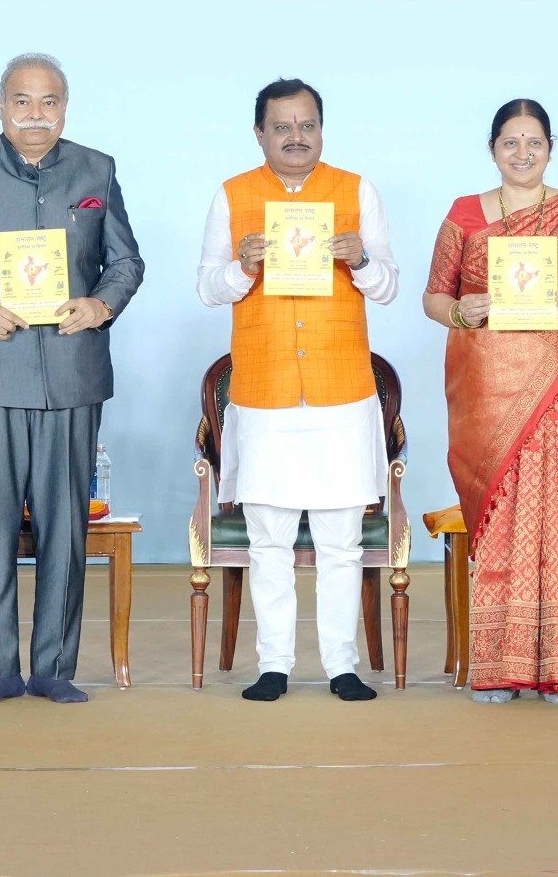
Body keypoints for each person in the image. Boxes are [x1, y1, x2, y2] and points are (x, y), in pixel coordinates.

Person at [0, 53, 144, 704]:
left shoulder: (97, 170)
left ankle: (54, 670)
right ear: (2, 106)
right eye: (22, 101)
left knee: (66, 526)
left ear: (64, 108)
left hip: (72, 373)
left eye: (49, 102)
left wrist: (101, 304)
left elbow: (126, 262)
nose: (35, 114)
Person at [422, 99, 558, 705]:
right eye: (510, 142)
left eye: (534, 142)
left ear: (550, 148)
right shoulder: (464, 214)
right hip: (488, 389)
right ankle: (498, 667)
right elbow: (434, 297)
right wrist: (462, 310)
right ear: (492, 149)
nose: (522, 153)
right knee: (501, 517)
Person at [196, 78, 398, 702]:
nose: (295, 137)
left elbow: (388, 286)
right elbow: (208, 287)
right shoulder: (233, 194)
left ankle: (342, 666)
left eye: (306, 125)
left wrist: (361, 261)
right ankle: (274, 666)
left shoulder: (356, 190)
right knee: (269, 541)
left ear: (321, 130)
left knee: (341, 542)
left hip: (341, 394)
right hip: (266, 393)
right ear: (259, 133)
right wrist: (242, 267)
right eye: (281, 126)